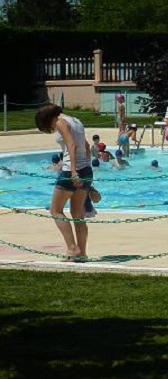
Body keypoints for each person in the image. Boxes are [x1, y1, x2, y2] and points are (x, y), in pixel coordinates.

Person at [35, 103, 94, 261]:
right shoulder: (76, 120)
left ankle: (72, 249)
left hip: (70, 171)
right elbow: (87, 146)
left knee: (56, 210)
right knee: (78, 214)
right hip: (86, 169)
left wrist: (74, 171)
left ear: (49, 118)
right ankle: (82, 253)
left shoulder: (61, 122)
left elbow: (71, 145)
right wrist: (86, 170)